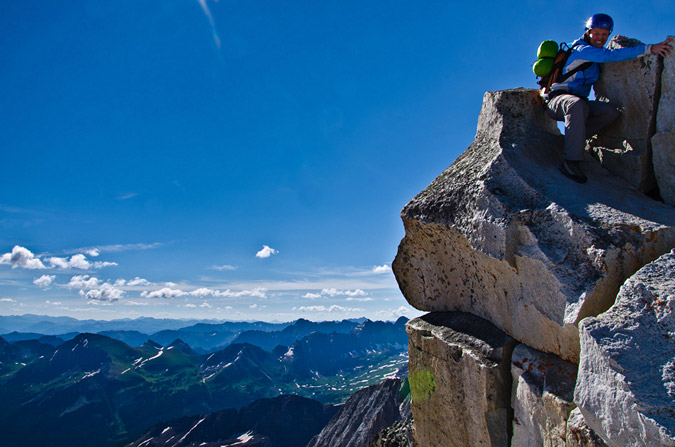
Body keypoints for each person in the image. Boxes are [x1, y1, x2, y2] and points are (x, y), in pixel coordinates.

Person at [544, 13, 672, 183]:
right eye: (596, 33)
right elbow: (608, 56)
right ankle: (571, 161)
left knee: (611, 112)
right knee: (577, 105)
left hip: (580, 103)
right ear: (588, 32)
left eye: (605, 35)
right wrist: (649, 49)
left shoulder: (594, 50)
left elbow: (607, 53)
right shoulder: (581, 50)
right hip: (558, 101)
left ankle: (572, 141)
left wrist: (617, 43)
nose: (600, 38)